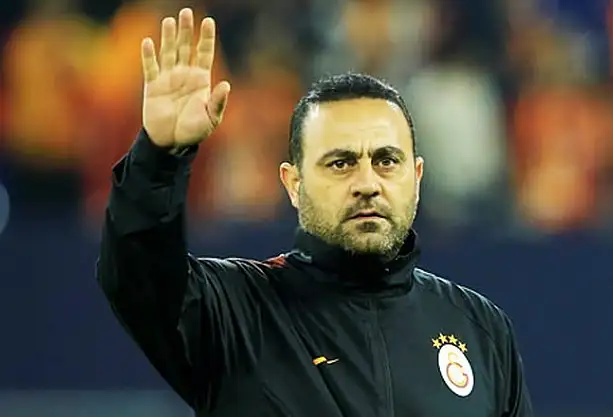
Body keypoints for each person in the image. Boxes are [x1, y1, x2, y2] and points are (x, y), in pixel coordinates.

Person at [96, 7, 533, 417]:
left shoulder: (479, 329)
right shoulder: (235, 314)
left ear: (416, 177)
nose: (367, 183)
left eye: (386, 160)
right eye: (340, 163)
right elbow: (137, 276)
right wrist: (159, 158)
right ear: (294, 183)